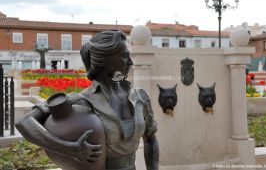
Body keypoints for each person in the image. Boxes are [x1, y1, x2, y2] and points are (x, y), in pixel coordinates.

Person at [16, 30, 159, 170]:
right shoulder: (81, 100)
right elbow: (25, 123)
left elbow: (151, 139)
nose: (130, 62)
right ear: (105, 60)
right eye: (124, 56)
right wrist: (69, 149)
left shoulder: (140, 97)